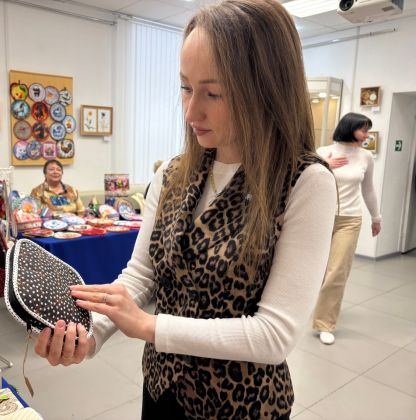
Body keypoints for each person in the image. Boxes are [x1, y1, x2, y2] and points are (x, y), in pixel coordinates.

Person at [34, 1, 336, 418]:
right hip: (162, 390)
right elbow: (142, 274)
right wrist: (91, 333)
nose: (192, 111)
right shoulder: (174, 173)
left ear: (265, 89)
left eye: (214, 93)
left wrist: (149, 325)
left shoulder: (304, 182)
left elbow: (274, 335)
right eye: (185, 87)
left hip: (241, 406)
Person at [313, 113, 382, 345]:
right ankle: (309, 305)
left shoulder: (365, 157)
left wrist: (376, 217)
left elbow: (368, 189)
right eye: (363, 130)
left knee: (337, 271)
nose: (366, 135)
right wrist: (323, 165)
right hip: (322, 217)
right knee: (317, 269)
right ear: (349, 128)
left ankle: (324, 323)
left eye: (368, 130)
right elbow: (306, 180)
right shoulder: (323, 152)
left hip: (350, 219)